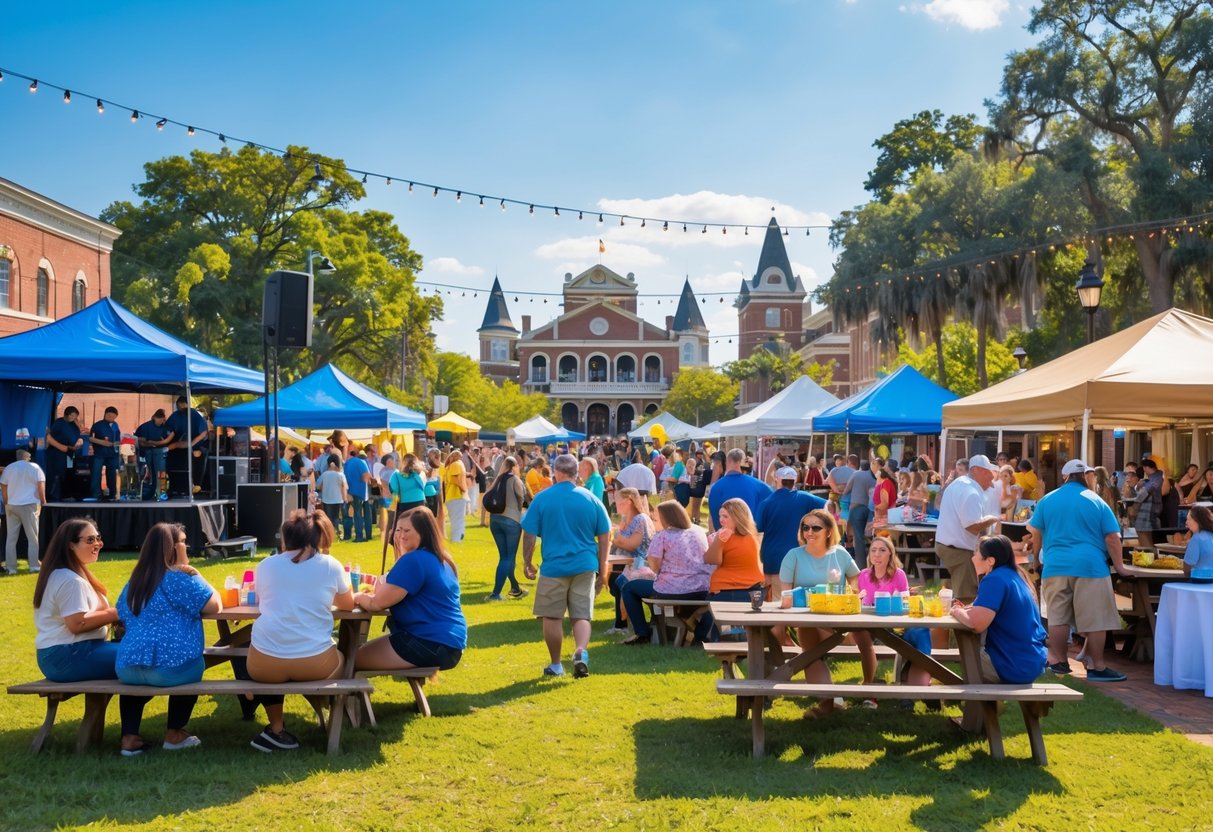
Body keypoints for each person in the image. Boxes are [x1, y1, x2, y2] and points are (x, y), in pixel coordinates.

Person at [248, 510, 356, 752]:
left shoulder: (265, 566)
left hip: (264, 665)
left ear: (285, 538)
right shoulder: (330, 565)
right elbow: (348, 605)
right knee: (344, 659)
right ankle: (331, 713)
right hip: (315, 663)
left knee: (267, 645)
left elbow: (264, 598)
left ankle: (276, 728)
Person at [113, 523, 221, 755]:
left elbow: (121, 613)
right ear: (173, 547)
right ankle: (175, 733)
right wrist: (192, 570)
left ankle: (129, 738)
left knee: (139, 678)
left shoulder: (134, 582)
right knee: (195, 664)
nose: (187, 546)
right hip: (169, 669)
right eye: (183, 541)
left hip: (127, 668)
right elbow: (215, 605)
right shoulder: (179, 577)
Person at [1027, 459, 1129, 682]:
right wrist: (1119, 566)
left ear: (1065, 477)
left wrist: (1035, 558)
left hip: (1055, 565)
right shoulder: (1097, 501)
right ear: (1085, 476)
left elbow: (1036, 533)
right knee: (1096, 619)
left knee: (1057, 617)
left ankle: (1059, 662)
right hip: (1090, 566)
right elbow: (1112, 537)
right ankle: (1097, 666)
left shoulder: (1047, 500)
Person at [521, 453, 611, 678]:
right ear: (575, 472)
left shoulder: (542, 498)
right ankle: (580, 651)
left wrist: (527, 561)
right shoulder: (591, 498)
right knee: (581, 615)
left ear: (556, 472)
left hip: (554, 566)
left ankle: (556, 664)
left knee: (552, 617)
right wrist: (603, 566)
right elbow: (605, 533)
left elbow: (529, 533)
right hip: (585, 564)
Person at [354, 507, 467, 671]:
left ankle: (349, 696)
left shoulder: (414, 560)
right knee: (355, 658)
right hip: (451, 645)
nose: (401, 535)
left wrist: (356, 596)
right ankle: (355, 696)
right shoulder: (443, 559)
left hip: (427, 641)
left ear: (424, 533)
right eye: (398, 529)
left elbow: (376, 603)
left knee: (352, 659)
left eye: (407, 530)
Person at [777, 508, 861, 716]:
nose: (809, 532)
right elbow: (786, 596)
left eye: (816, 527)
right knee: (810, 652)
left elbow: (858, 581)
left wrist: (854, 595)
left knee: (810, 654)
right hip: (805, 620)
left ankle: (827, 703)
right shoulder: (793, 556)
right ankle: (828, 703)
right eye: (805, 527)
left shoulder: (840, 554)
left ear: (829, 531)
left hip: (836, 620)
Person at [950, 535, 1048, 684]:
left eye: (976, 553)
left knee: (967, 655)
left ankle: (973, 705)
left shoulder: (994, 579)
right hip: (1031, 662)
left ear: (990, 561)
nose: (973, 558)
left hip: (1012, 666)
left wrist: (956, 611)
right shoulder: (1017, 576)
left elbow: (976, 624)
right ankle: (987, 706)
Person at [33, 518, 120, 681]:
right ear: (71, 545)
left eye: (98, 538)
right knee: (142, 654)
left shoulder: (70, 574)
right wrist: (117, 613)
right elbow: (77, 623)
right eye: (90, 540)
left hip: (73, 652)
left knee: (141, 651)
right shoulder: (70, 580)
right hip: (68, 655)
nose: (98, 544)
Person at [619, 500, 713, 645]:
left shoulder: (663, 536)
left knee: (629, 588)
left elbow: (654, 567)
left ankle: (642, 633)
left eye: (657, 518)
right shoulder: (698, 532)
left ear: (666, 518)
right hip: (702, 588)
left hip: (673, 589)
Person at [934, 454, 1002, 603]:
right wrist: (994, 518)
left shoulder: (961, 484)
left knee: (964, 591)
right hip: (958, 550)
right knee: (967, 596)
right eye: (989, 474)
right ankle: (963, 624)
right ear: (977, 470)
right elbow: (972, 526)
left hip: (949, 545)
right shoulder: (970, 491)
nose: (991, 480)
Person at [757, 466, 825, 599]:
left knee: (777, 602)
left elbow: (758, 530)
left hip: (773, 559)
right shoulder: (805, 498)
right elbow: (829, 506)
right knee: (798, 602)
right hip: (799, 558)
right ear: (795, 481)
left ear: (777, 480)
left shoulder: (766, 503)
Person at [702, 498, 764, 640]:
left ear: (737, 517)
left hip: (726, 590)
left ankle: (723, 644)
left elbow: (711, 559)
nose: (721, 520)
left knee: (724, 631)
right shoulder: (752, 537)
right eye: (720, 516)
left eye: (725, 516)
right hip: (752, 589)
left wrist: (719, 540)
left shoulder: (726, 536)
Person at [606, 487, 654, 636]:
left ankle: (622, 624)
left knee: (617, 579)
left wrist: (618, 539)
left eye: (618, 501)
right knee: (614, 578)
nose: (615, 503)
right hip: (628, 562)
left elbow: (632, 544)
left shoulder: (640, 519)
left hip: (639, 565)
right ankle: (621, 623)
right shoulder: (629, 519)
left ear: (628, 501)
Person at [485, 455, 529, 602]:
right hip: (511, 521)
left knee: (504, 557)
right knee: (508, 558)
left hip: (495, 520)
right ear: (515, 466)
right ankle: (495, 594)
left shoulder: (497, 479)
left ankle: (515, 588)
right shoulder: (515, 480)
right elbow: (522, 500)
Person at [707, 448, 773, 532]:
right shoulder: (758, 485)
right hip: (750, 537)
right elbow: (775, 499)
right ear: (742, 462)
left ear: (727, 461)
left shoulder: (716, 487)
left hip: (725, 538)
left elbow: (713, 518)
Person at [2, 448, 46, 574]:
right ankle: (34, 566)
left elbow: (3, 486)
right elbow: (41, 486)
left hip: (11, 505)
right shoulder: (35, 468)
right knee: (33, 537)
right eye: (30, 455)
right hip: (29, 505)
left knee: (11, 538)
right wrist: (43, 501)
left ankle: (11, 568)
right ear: (26, 456)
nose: (31, 457)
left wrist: (6, 502)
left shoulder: (9, 468)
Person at [165, 396, 209, 496]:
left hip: (194, 446)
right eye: (179, 408)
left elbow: (203, 432)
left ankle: (195, 486)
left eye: (183, 408)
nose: (182, 410)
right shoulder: (175, 416)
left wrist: (192, 444)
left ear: (188, 405)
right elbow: (168, 430)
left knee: (195, 456)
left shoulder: (195, 415)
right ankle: (175, 487)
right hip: (178, 446)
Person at [44, 405, 84, 502]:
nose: (74, 418)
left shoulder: (73, 424)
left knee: (69, 473)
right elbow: (50, 438)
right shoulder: (59, 423)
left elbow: (79, 434)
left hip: (70, 453)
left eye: (75, 416)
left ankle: (68, 494)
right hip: (57, 453)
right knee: (57, 474)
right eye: (73, 416)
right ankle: (54, 496)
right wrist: (64, 447)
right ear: (67, 414)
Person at [134, 409, 172, 501]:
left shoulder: (166, 427)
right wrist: (151, 444)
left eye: (162, 419)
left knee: (161, 473)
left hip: (160, 451)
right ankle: (149, 493)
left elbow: (169, 438)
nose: (161, 421)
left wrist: (154, 443)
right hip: (147, 452)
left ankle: (161, 493)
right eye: (159, 418)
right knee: (149, 473)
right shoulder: (145, 427)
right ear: (154, 417)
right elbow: (140, 441)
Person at [87, 406, 122, 500]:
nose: (111, 418)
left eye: (113, 416)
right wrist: (102, 442)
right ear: (105, 414)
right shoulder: (97, 425)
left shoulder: (116, 425)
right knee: (96, 473)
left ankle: (112, 493)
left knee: (112, 474)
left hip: (112, 454)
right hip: (99, 453)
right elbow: (90, 438)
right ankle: (96, 494)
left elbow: (118, 439)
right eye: (109, 415)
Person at [316, 454, 349, 538]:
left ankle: (329, 535)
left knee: (328, 518)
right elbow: (344, 487)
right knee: (337, 517)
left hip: (326, 499)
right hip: (339, 499)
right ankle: (339, 534)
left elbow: (318, 486)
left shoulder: (324, 474)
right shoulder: (341, 475)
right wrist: (345, 499)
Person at [343, 450, 373, 543]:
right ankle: (359, 536)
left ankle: (347, 535)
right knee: (358, 514)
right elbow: (365, 476)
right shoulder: (361, 463)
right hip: (359, 491)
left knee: (347, 514)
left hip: (348, 490)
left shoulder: (347, 462)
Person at [443, 449, 470, 543]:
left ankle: (458, 539)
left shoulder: (449, 466)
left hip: (451, 497)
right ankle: (456, 540)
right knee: (458, 520)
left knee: (456, 519)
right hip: (456, 496)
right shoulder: (456, 464)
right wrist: (463, 489)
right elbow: (456, 479)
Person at [1182, 504, 1213, 576]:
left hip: (1202, 581)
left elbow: (1186, 568)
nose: (1186, 523)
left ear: (1196, 520)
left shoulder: (1197, 538)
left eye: (1188, 519)